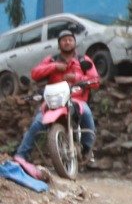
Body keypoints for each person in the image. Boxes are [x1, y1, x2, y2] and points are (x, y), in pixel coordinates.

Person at [17, 29, 99, 166]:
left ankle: (87, 148)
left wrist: (76, 77)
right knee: (37, 122)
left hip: (75, 99)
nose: (67, 42)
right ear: (59, 44)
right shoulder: (51, 60)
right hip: (53, 100)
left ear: (74, 43)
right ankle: (20, 157)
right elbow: (35, 73)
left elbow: (95, 80)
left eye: (70, 39)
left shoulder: (83, 60)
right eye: (64, 40)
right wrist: (54, 67)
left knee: (87, 114)